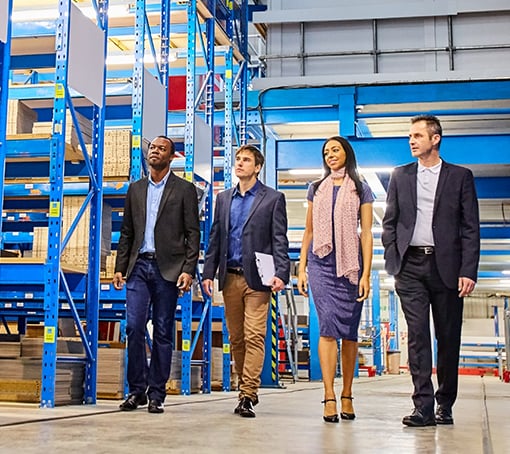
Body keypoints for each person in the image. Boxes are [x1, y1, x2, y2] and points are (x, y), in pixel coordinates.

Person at [382, 115, 480, 427]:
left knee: (448, 337)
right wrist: (392, 257)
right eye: (409, 136)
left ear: (435, 139)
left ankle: (445, 402)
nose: (411, 141)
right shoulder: (400, 175)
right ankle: (422, 406)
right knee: (418, 337)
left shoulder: (460, 176)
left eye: (417, 135)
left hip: (447, 267)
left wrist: (468, 270)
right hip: (410, 265)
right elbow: (390, 222)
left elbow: (470, 228)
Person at [113, 135, 200, 414]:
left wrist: (188, 270)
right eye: (152, 148)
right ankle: (136, 390)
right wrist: (119, 266)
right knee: (134, 327)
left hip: (169, 269)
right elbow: (126, 232)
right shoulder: (135, 189)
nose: (155, 151)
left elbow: (192, 234)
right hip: (138, 267)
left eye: (162, 149)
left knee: (163, 331)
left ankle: (156, 393)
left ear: (171, 157)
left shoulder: (185, 190)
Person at [202, 144, 290, 418]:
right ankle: (245, 386)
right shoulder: (224, 198)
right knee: (237, 338)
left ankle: (248, 394)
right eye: (238, 159)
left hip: (258, 279)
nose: (240, 164)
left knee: (255, 335)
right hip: (229, 277)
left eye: (246, 160)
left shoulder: (272, 198)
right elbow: (216, 237)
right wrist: (208, 272)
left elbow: (279, 239)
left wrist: (281, 272)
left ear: (258, 166)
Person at [297, 136, 374, 423]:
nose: (330, 155)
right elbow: (308, 232)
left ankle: (348, 394)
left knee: (350, 332)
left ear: (347, 153)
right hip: (321, 263)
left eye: (336, 150)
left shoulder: (361, 189)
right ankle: (329, 395)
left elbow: (366, 233)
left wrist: (365, 274)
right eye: (326, 152)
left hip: (351, 265)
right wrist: (301, 268)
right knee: (327, 328)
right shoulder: (316, 188)